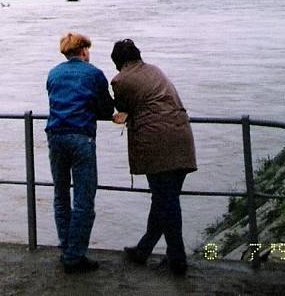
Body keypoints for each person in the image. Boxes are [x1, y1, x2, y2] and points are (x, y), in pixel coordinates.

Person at [110, 39, 197, 276]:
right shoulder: (155, 70)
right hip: (182, 135)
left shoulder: (120, 80)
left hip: (157, 142)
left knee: (166, 202)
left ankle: (177, 260)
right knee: (164, 200)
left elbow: (122, 106)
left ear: (117, 62)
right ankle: (143, 250)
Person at [45, 32, 114, 273]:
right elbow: (106, 108)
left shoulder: (53, 73)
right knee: (84, 199)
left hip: (55, 136)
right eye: (88, 49)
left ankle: (67, 248)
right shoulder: (93, 73)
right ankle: (75, 256)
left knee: (60, 196)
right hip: (81, 137)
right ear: (83, 50)